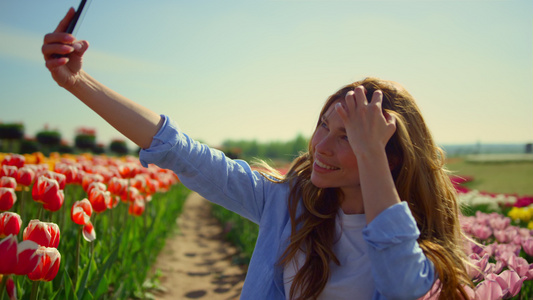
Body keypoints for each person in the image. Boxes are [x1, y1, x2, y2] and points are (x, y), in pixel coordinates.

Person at [42, 8, 474, 300]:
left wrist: (371, 153)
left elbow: (403, 286)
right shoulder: (287, 206)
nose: (321, 146)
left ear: (390, 157)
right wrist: (78, 83)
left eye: (347, 137)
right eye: (323, 125)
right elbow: (179, 150)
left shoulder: (420, 246)